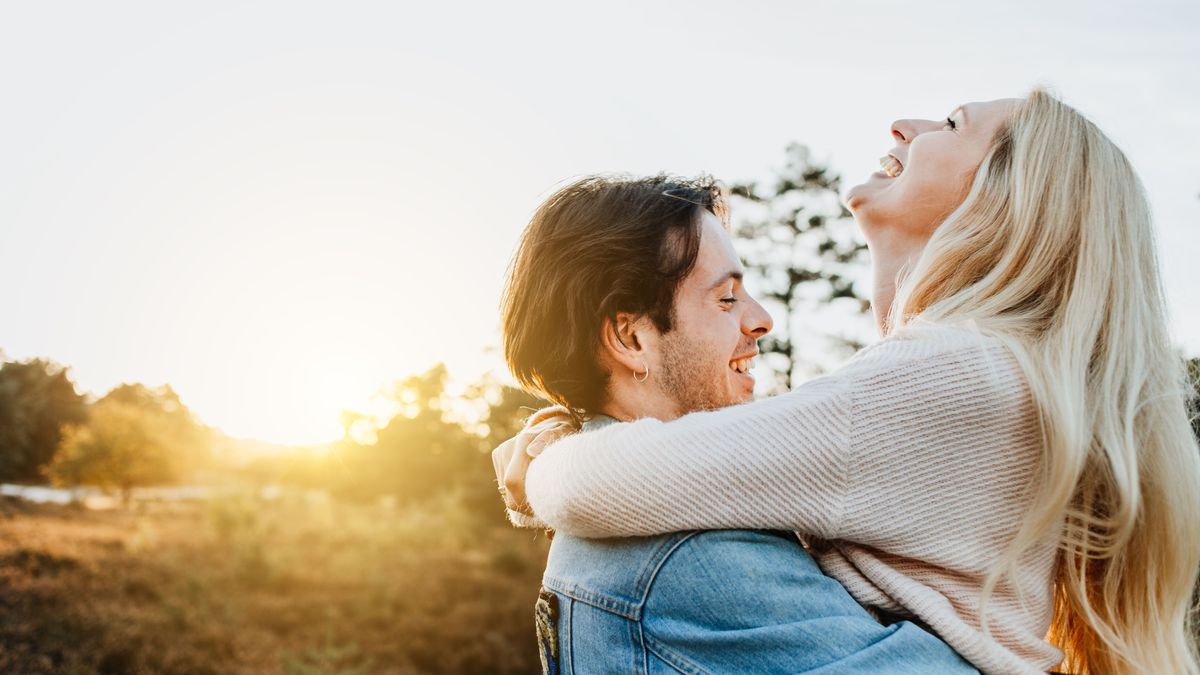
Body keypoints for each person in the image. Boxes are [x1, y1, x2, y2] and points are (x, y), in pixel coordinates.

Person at [496, 91, 1200, 675]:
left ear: (1001, 201)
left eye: (952, 125)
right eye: (726, 297)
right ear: (628, 335)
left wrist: (541, 469)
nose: (906, 126)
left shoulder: (959, 369)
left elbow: (606, 485)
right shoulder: (991, 372)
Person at [498, 174, 978, 673]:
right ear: (631, 338)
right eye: (726, 298)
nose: (762, 319)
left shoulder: (623, 516)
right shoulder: (697, 557)